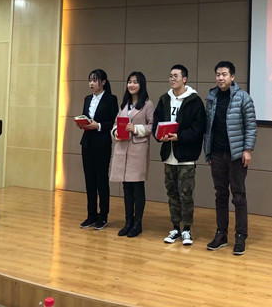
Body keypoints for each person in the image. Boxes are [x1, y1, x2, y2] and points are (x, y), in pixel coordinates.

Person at [204, 61, 257, 255]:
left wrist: (247, 150)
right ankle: (221, 234)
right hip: (216, 153)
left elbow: (251, 125)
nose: (220, 78)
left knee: (239, 196)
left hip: (236, 155)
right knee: (220, 195)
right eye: (218, 74)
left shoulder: (243, 97)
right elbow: (208, 127)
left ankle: (241, 236)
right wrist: (208, 152)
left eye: (224, 74)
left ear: (232, 77)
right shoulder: (211, 97)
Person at [153, 64, 206, 246]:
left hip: (186, 155)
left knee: (186, 194)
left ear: (184, 79)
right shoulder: (164, 99)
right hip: (169, 154)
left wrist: (179, 137)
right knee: (172, 193)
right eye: (170, 76)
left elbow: (198, 128)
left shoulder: (194, 101)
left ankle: (187, 229)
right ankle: (175, 227)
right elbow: (156, 122)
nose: (172, 79)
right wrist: (159, 135)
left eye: (176, 76)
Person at [110, 71, 154, 238]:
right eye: (129, 82)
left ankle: (137, 223)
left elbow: (152, 126)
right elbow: (116, 123)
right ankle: (128, 221)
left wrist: (135, 129)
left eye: (135, 82)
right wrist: (115, 132)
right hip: (122, 148)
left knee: (137, 187)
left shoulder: (148, 104)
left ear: (141, 85)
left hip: (137, 150)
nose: (132, 85)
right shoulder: (124, 104)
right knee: (126, 188)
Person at [79, 69, 119, 230]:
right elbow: (84, 116)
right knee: (89, 180)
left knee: (101, 180)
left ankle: (103, 216)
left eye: (95, 80)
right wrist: (81, 122)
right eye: (90, 80)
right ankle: (91, 215)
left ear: (103, 82)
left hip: (102, 143)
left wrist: (99, 126)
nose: (91, 83)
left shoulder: (111, 99)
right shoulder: (87, 98)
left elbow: (113, 121)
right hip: (87, 142)